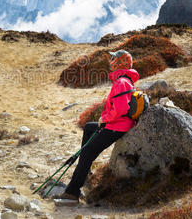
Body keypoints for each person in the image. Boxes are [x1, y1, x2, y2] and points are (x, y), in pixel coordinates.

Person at [55, 49, 139, 201]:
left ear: (120, 62)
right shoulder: (126, 80)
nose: (111, 60)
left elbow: (121, 109)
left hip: (116, 127)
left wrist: (105, 119)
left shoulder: (121, 82)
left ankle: (72, 193)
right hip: (119, 124)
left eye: (114, 58)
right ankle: (84, 172)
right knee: (88, 127)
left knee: (86, 153)